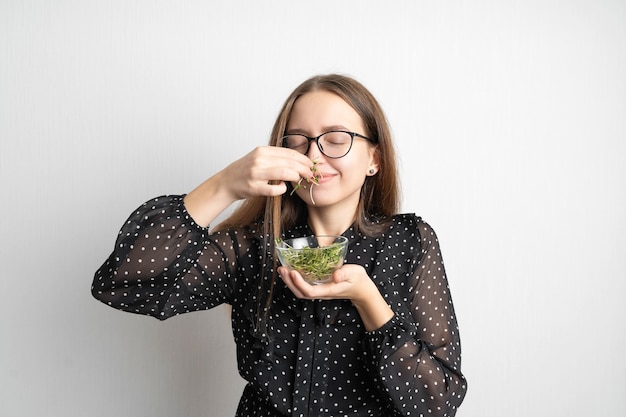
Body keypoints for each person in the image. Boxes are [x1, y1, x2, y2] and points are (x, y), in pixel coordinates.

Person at [92, 74, 467, 416]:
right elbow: (124, 284)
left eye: (336, 140)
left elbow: (439, 404)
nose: (314, 156)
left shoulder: (409, 242)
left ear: (374, 159)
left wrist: (369, 300)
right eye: (297, 142)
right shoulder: (251, 247)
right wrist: (223, 185)